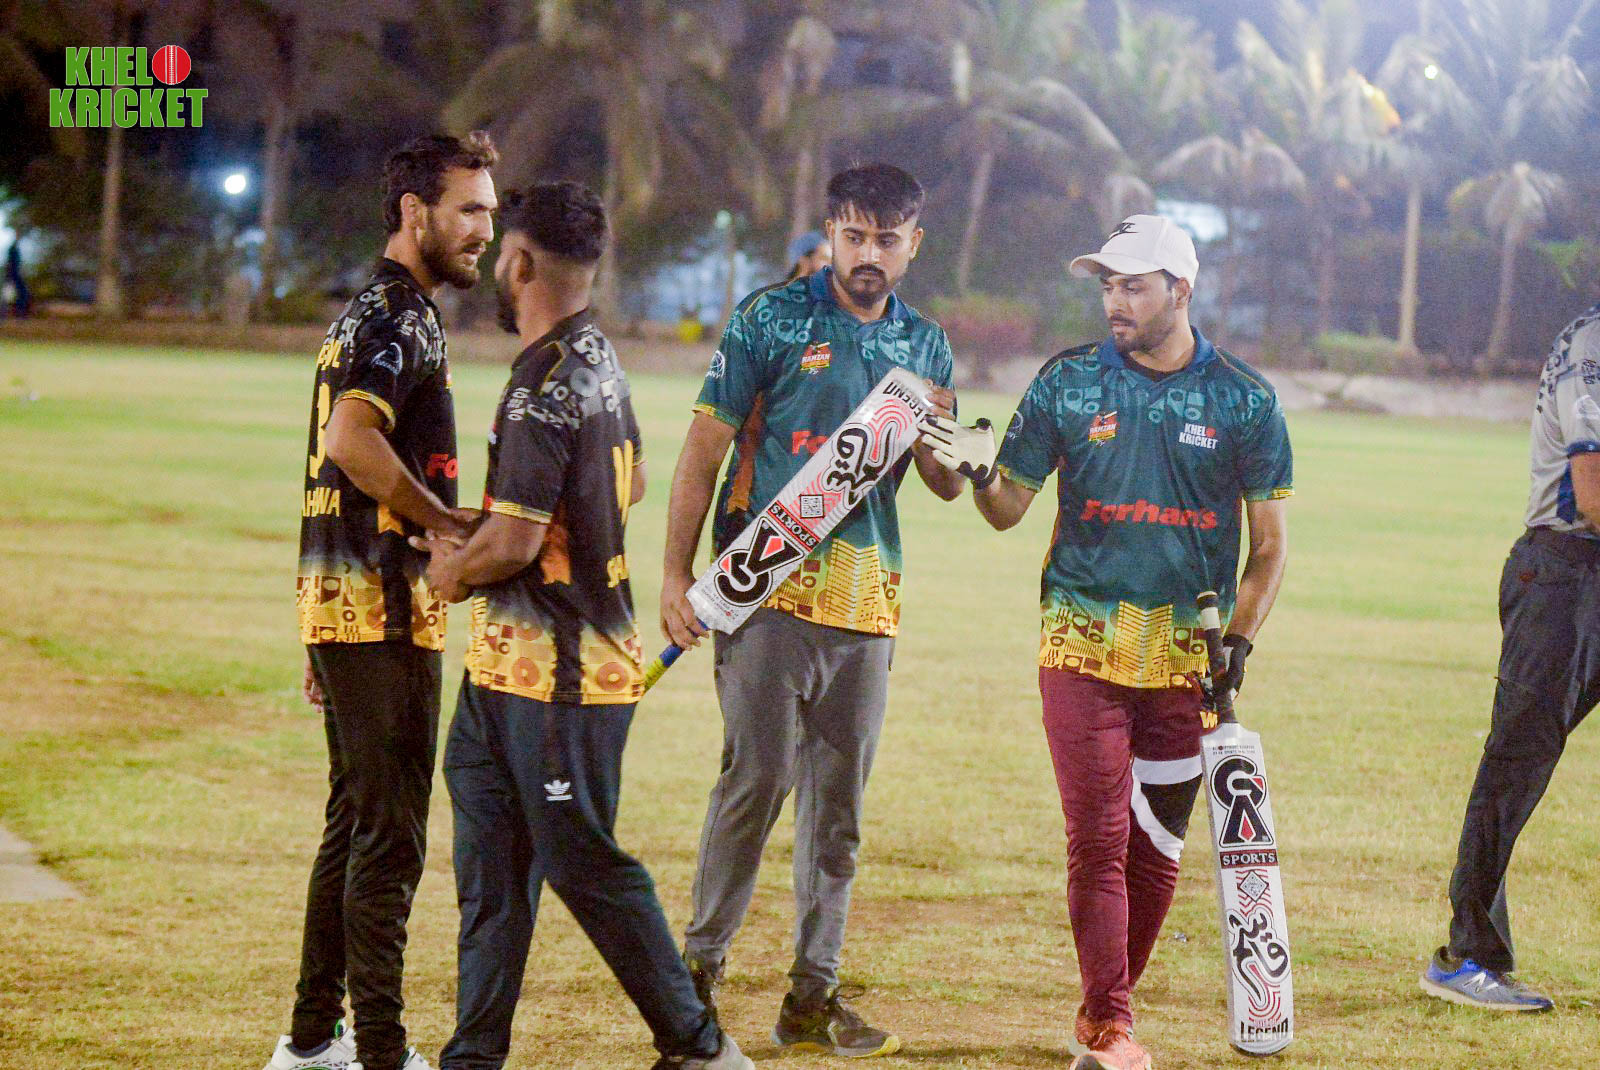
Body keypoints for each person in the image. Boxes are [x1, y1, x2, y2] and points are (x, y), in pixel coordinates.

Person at [929, 215, 1292, 1070]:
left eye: (1133, 285)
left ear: (1181, 289)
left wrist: (1238, 642)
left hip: (1186, 659)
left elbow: (1269, 547)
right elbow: (1006, 508)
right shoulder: (1067, 383)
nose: (1115, 301)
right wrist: (977, 471)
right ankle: (1113, 1027)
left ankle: (1099, 1015)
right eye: (1107, 285)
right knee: (1095, 842)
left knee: (1156, 850)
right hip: (1080, 641)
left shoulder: (1243, 399)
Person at [412, 180, 752, 1070]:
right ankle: (472, 1057)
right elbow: (615, 489)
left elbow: (519, 541)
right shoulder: (599, 358)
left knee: (581, 861)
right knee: (491, 877)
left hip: (562, 677)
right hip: (503, 674)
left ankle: (701, 1047)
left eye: (501, 252)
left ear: (521, 263)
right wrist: (490, 528)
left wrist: (453, 570)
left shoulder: (541, 383)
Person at [660, 162, 964, 1059]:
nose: (868, 254)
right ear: (830, 232)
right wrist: (675, 576)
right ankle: (696, 983)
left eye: (886, 240)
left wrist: (949, 437)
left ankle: (811, 996)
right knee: (755, 783)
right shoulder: (771, 318)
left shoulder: (927, 345)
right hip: (765, 595)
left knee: (839, 815)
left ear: (914, 244)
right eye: (853, 235)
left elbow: (945, 483)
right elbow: (702, 451)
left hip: (867, 603)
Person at [267, 131, 498, 1070]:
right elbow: (351, 442)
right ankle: (381, 1053)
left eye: (490, 210)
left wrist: (317, 629)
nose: (485, 229)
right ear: (415, 212)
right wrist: (442, 520)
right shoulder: (403, 317)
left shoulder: (366, 311)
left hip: (342, 598)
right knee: (392, 834)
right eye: (469, 209)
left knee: (356, 822)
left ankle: (311, 1041)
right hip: (383, 605)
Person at [1419, 302, 1600, 1012]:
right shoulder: (1593, 344)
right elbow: (1593, 492)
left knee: (1514, 768)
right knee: (1515, 769)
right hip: (1567, 577)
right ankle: (1467, 958)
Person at [4, 239, 29, 318]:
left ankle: (19, 312)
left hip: (14, 275)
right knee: (11, 295)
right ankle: (18, 312)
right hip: (13, 275)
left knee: (20, 294)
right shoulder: (13, 250)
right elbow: (11, 264)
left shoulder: (15, 251)